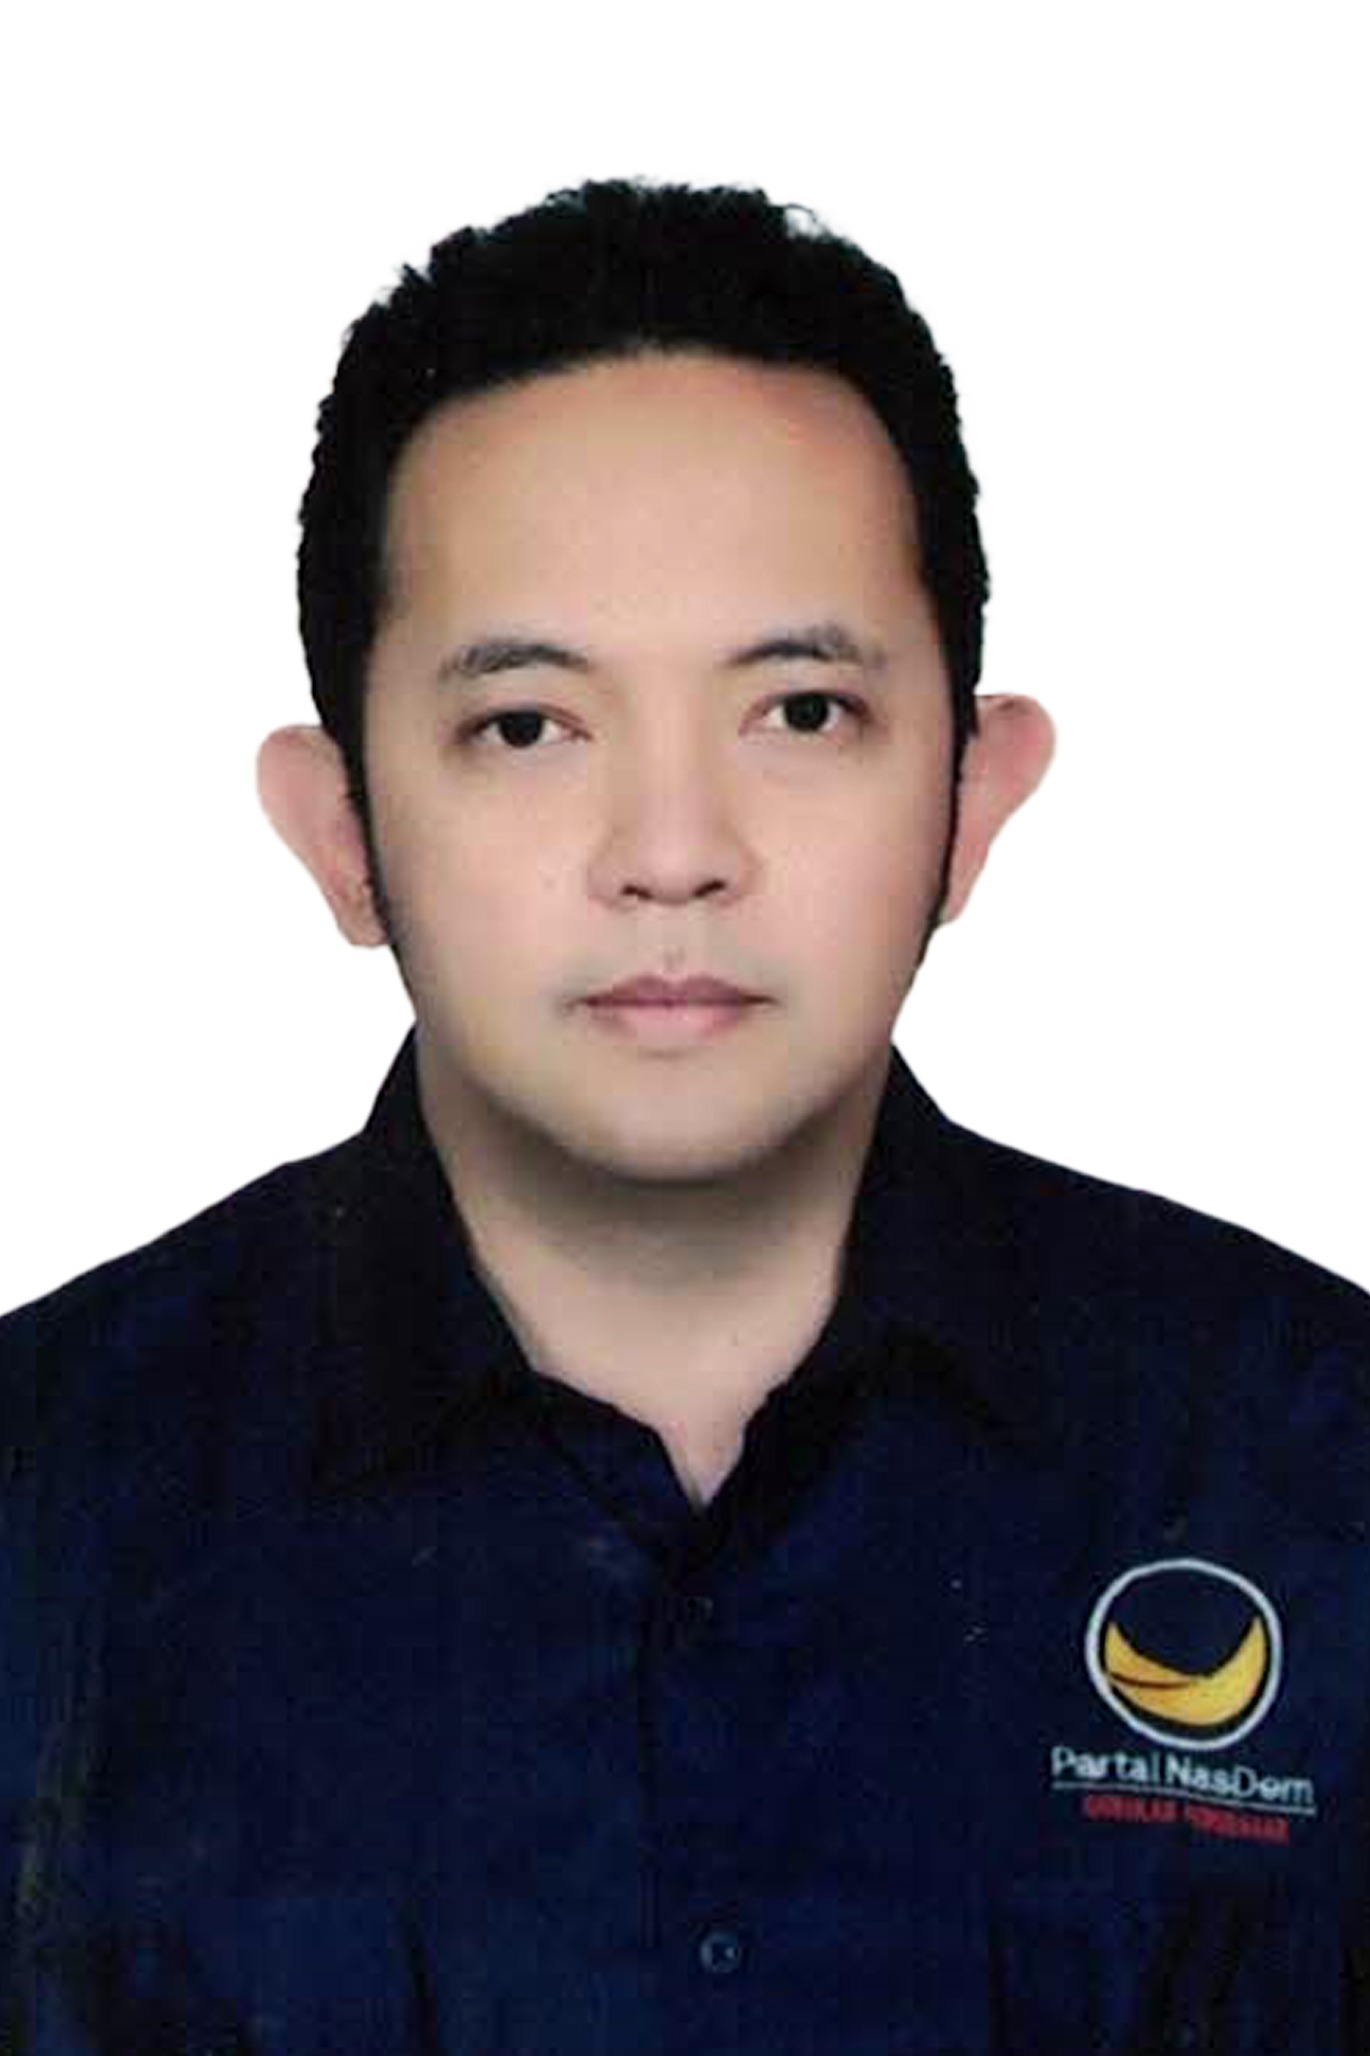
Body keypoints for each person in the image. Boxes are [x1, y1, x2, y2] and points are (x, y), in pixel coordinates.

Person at [1, 175, 1366, 2054]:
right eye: (526, 726)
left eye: (798, 713)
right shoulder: (45, 1510)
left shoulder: (1315, 1460)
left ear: (971, 799)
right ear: (341, 832)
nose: (670, 852)